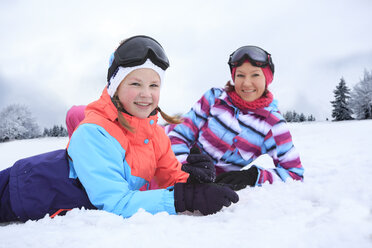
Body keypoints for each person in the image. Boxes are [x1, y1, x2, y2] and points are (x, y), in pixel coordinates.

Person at [0, 35, 239, 223]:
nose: (146, 94)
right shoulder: (95, 132)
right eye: (135, 83)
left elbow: (169, 177)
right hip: (17, 191)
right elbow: (116, 203)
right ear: (115, 87)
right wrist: (186, 198)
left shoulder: (155, 134)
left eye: (154, 84)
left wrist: (195, 180)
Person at [166, 45, 304, 190]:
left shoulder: (272, 124)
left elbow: (294, 174)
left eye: (255, 75)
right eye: (240, 75)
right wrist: (186, 168)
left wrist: (251, 176)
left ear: (267, 79)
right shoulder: (215, 97)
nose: (246, 83)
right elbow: (179, 135)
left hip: (209, 182)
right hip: (164, 151)